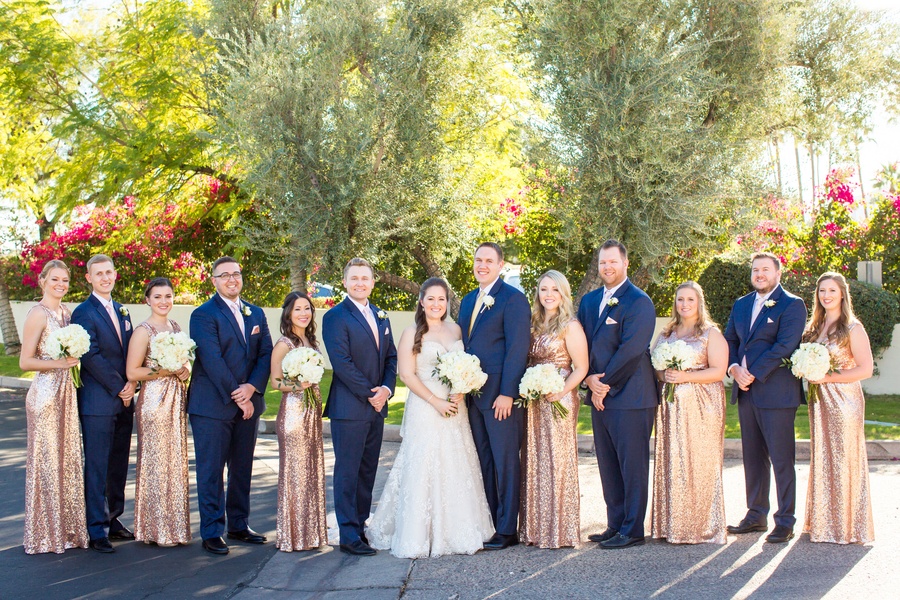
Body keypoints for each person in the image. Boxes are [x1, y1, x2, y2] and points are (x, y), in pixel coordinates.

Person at [368, 278, 494, 558]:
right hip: (426, 406)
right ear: (422, 301)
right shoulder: (411, 332)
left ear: (447, 303)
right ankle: (417, 534)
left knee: (456, 463)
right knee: (423, 464)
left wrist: (462, 389)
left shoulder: (456, 329)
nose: (437, 304)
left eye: (442, 299)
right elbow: (406, 374)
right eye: (431, 299)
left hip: (454, 407)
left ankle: (455, 530)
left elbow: (466, 366)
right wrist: (434, 400)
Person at [188, 256, 273, 555]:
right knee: (211, 469)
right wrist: (239, 396)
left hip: (249, 401)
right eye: (224, 275)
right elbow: (211, 359)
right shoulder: (203, 315)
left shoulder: (257, 313)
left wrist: (251, 389)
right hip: (212, 405)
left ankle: (239, 524)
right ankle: (212, 530)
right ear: (214, 281)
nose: (231, 280)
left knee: (242, 468)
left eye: (236, 274)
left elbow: (266, 354)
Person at [576, 239, 657, 549]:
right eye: (603, 262)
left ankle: (633, 528)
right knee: (608, 462)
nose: (607, 267)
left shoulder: (639, 301)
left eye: (613, 262)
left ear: (626, 264)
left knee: (631, 463)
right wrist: (587, 380)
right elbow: (581, 344)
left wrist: (602, 384)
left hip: (631, 396)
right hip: (599, 394)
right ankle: (615, 523)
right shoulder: (589, 301)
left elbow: (632, 350)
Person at [724, 252, 806, 544]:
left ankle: (785, 520)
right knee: (753, 458)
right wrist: (734, 368)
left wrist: (752, 373)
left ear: (778, 273)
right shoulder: (741, 304)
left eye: (765, 270)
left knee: (782, 459)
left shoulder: (792, 305)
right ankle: (756, 514)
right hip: (746, 391)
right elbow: (730, 339)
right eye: (755, 270)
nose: (759, 274)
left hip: (777, 393)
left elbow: (785, 345)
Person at [457, 243, 531, 550]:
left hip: (500, 398)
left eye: (489, 260)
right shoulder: (467, 300)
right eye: (478, 260)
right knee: (484, 461)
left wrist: (507, 394)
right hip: (473, 396)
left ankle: (507, 529)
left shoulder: (513, 299)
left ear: (501, 265)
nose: (482, 265)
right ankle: (490, 522)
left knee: (505, 462)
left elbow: (517, 349)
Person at [322, 258, 398, 556]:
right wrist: (370, 393)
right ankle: (348, 534)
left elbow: (391, 358)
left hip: (376, 407)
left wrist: (387, 390)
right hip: (349, 408)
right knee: (347, 472)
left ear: (372, 282)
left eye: (365, 278)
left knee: (367, 471)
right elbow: (342, 364)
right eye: (354, 278)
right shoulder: (335, 317)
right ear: (344, 282)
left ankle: (361, 525)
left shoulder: (381, 315)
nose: (360, 283)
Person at [19, 260, 89, 554]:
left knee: (67, 460)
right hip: (45, 395)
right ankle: (44, 534)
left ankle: (67, 531)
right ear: (43, 280)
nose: (60, 285)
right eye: (54, 280)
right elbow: (25, 362)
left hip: (66, 394)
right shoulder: (38, 313)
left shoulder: (66, 313)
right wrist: (59, 363)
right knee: (47, 462)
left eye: (65, 281)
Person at [649, 281, 727, 544]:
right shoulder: (667, 332)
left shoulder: (710, 333)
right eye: (680, 299)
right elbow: (656, 366)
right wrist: (665, 373)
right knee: (673, 460)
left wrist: (685, 376)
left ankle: (700, 526)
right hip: (671, 407)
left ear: (699, 303)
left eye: (690, 300)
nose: (684, 304)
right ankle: (673, 524)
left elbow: (718, 370)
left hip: (702, 405)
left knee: (698, 460)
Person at [802, 272, 874, 544]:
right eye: (822, 291)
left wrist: (828, 377)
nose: (826, 295)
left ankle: (846, 526)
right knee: (823, 456)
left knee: (844, 457)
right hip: (820, 400)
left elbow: (865, 369)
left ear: (842, 294)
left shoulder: (853, 328)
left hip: (845, 400)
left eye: (831, 290)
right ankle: (823, 523)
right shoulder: (814, 327)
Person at [519, 270, 589, 549]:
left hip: (559, 398)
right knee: (534, 460)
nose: (548, 295)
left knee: (557, 461)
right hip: (534, 398)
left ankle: (560, 530)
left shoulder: (570, 325)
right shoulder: (533, 322)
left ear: (563, 294)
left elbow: (581, 367)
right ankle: (535, 529)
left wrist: (560, 391)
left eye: (554, 290)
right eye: (543, 289)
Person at [71, 254, 136, 553]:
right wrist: (121, 386)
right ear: (89, 278)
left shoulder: (123, 310)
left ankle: (113, 518)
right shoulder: (84, 312)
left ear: (115, 274)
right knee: (97, 464)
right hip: (98, 400)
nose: (105, 278)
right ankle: (96, 528)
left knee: (118, 463)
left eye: (109, 272)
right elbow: (91, 356)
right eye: (99, 274)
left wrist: (132, 383)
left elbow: (129, 352)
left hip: (124, 399)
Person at [125, 278, 192, 547]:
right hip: (154, 401)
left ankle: (174, 527)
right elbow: (133, 372)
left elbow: (182, 361)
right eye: (157, 296)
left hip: (176, 399)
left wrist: (185, 368)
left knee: (174, 461)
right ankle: (154, 528)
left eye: (168, 295)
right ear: (147, 300)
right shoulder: (143, 330)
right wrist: (168, 370)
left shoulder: (175, 327)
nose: (164, 301)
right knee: (156, 461)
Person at [269, 291, 328, 552]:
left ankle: (311, 533)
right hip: (293, 412)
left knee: (311, 470)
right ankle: (292, 536)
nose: (304, 313)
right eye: (297, 310)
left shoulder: (310, 340)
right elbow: (275, 382)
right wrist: (299, 383)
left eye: (307, 309)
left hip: (311, 411)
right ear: (288, 314)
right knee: (295, 472)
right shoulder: (285, 343)